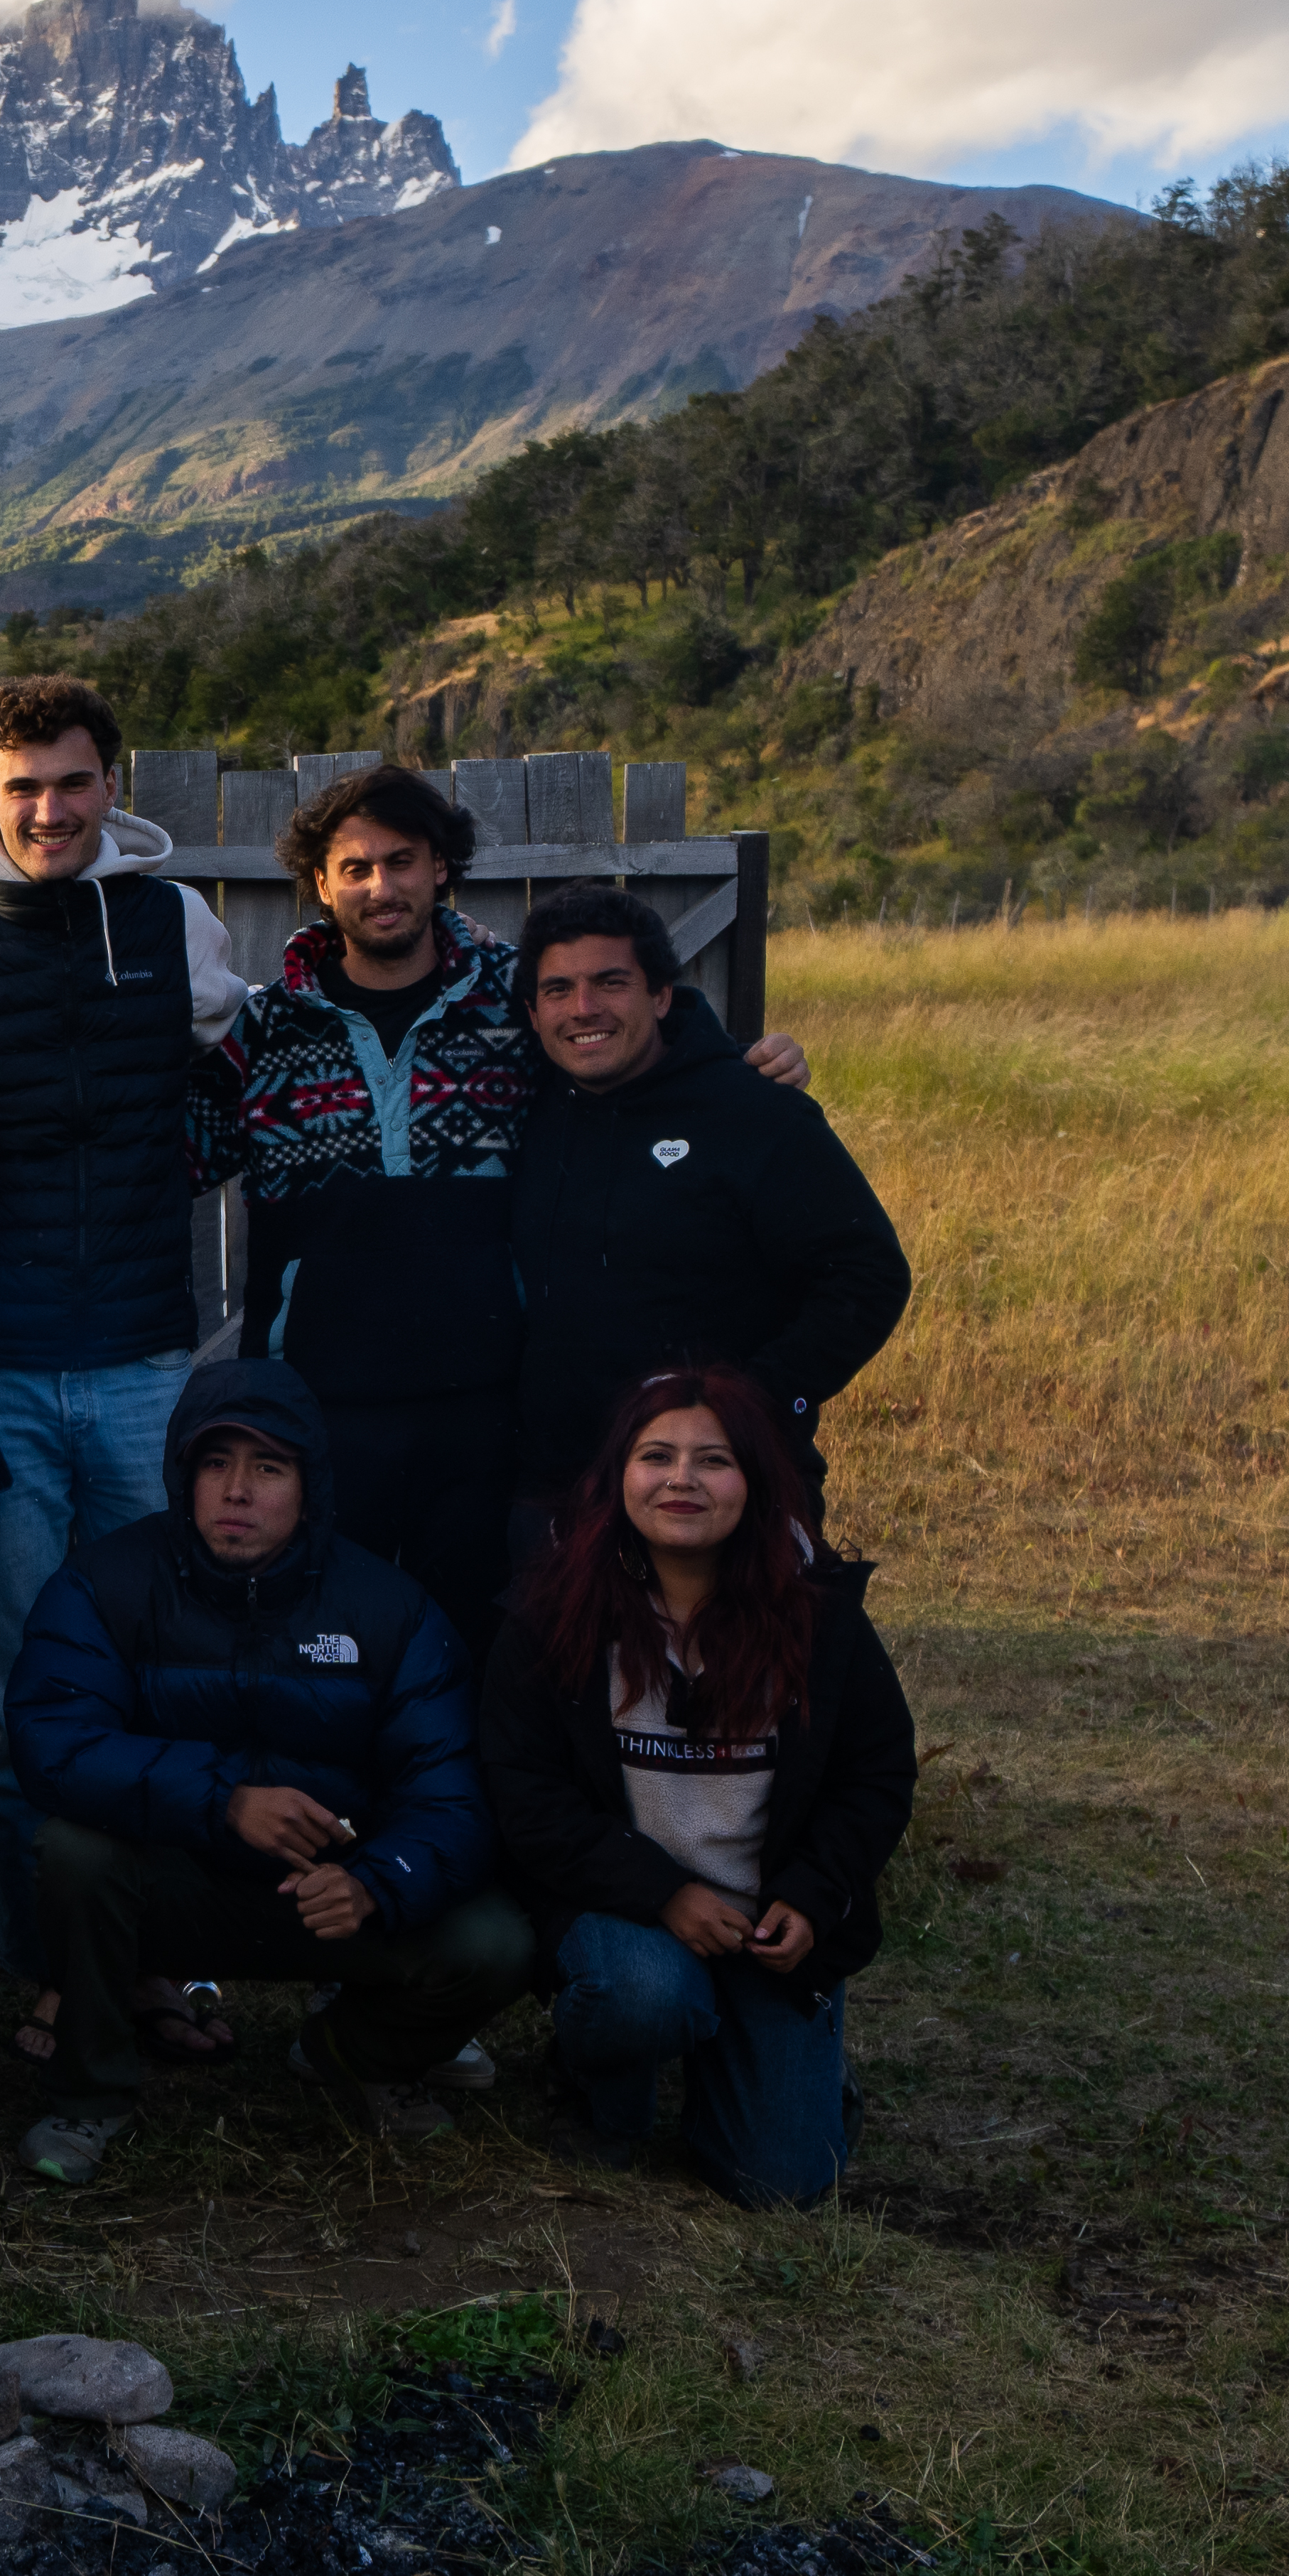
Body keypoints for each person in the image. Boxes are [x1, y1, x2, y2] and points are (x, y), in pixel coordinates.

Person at [0, 678, 241, 2030]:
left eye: (73, 784)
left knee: (163, 1673)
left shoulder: (174, 923)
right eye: (22, 788)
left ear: (112, 790)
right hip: (0, 1373)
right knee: (12, 1694)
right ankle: (48, 1972)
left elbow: (266, 1051)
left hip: (145, 1363)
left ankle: (172, 1956)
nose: (50, 811)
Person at [0, 1358, 527, 2186]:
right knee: (74, 1851)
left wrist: (378, 1883)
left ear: (308, 1486)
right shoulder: (105, 1582)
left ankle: (355, 2054)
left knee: (495, 1940)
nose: (237, 1490)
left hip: (331, 1899)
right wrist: (223, 1802)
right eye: (216, 1464)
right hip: (174, 1888)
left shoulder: (391, 1608)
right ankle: (88, 2097)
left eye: (267, 1467)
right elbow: (51, 1743)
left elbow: (452, 1795)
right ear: (184, 1476)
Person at [485, 1366, 916, 2207]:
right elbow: (525, 1793)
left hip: (764, 1920)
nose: (682, 1479)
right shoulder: (551, 1613)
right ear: (618, 1479)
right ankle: (606, 2094)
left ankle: (783, 2071)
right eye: (656, 1456)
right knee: (645, 1994)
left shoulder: (819, 1619)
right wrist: (666, 1893)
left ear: (754, 1484)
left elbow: (877, 1773)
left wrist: (814, 1894)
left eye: (713, 1460)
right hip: (624, 1908)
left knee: (780, 2183)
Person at [210, 763, 540, 1667]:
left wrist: (746, 1058)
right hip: (323, 1397)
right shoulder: (267, 1028)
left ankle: (463, 1811)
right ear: (321, 884)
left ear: (442, 868)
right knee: (329, 1641)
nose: (380, 887)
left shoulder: (518, 1000)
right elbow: (166, 1156)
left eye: (401, 862)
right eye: (354, 868)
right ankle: (348, 1812)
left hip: (485, 1392)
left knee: (475, 1636)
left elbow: (638, 1039)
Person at [507, 882, 910, 1552]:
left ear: (661, 995)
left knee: (736, 1659)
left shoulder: (754, 1114)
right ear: (532, 1008)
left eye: (611, 983)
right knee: (562, 1660)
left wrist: (756, 1404)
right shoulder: (523, 1111)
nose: (584, 1009)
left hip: (723, 1492)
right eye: (558, 990)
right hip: (559, 1491)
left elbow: (866, 1276)